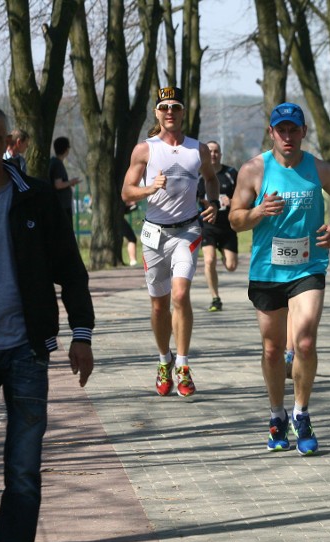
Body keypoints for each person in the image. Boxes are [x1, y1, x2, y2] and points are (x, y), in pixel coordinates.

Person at [0, 103, 94, 542]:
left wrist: (82, 333)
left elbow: (69, 267)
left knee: (24, 473)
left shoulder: (33, 195)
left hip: (26, 349)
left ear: (8, 142)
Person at [229, 102, 330, 456]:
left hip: (308, 267)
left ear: (303, 132)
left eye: (293, 130)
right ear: (272, 133)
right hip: (267, 270)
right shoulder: (254, 170)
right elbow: (234, 219)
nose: (288, 136)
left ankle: (302, 412)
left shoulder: (318, 168)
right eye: (281, 130)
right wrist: (257, 212)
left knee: (306, 342)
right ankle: (276, 414)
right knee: (272, 349)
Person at [121, 86, 220, 398]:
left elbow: (211, 178)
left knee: (180, 294)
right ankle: (163, 360)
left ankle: (183, 364)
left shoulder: (197, 149)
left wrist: (214, 202)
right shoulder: (144, 150)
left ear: (182, 112)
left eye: (175, 107)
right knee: (159, 303)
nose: (169, 112)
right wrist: (150, 189)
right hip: (154, 234)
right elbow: (126, 192)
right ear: (157, 113)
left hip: (187, 231)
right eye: (164, 107)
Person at [198, 140, 239, 312]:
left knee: (231, 266)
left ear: (220, 154)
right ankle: (215, 298)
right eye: (210, 151)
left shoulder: (231, 173)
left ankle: (223, 252)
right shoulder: (199, 174)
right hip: (208, 226)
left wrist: (232, 201)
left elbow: (245, 195)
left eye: (216, 151)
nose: (213, 154)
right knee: (209, 260)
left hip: (228, 226)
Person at [48, 136, 82, 221]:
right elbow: (58, 185)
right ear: (66, 150)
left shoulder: (54, 162)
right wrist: (71, 182)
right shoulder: (57, 164)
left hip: (61, 205)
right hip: (62, 206)